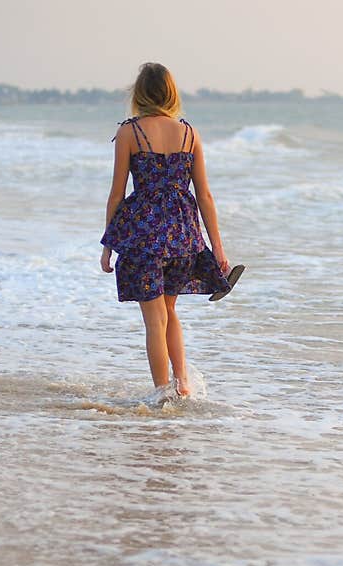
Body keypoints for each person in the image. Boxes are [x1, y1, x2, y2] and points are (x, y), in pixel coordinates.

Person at [100, 62, 245, 399]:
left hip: (143, 237)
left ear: (139, 93)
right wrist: (218, 250)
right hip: (183, 235)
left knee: (154, 320)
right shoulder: (189, 133)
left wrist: (108, 244)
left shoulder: (129, 133)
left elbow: (116, 194)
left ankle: (161, 393)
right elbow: (205, 196)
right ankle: (182, 387)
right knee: (170, 312)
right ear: (171, 92)